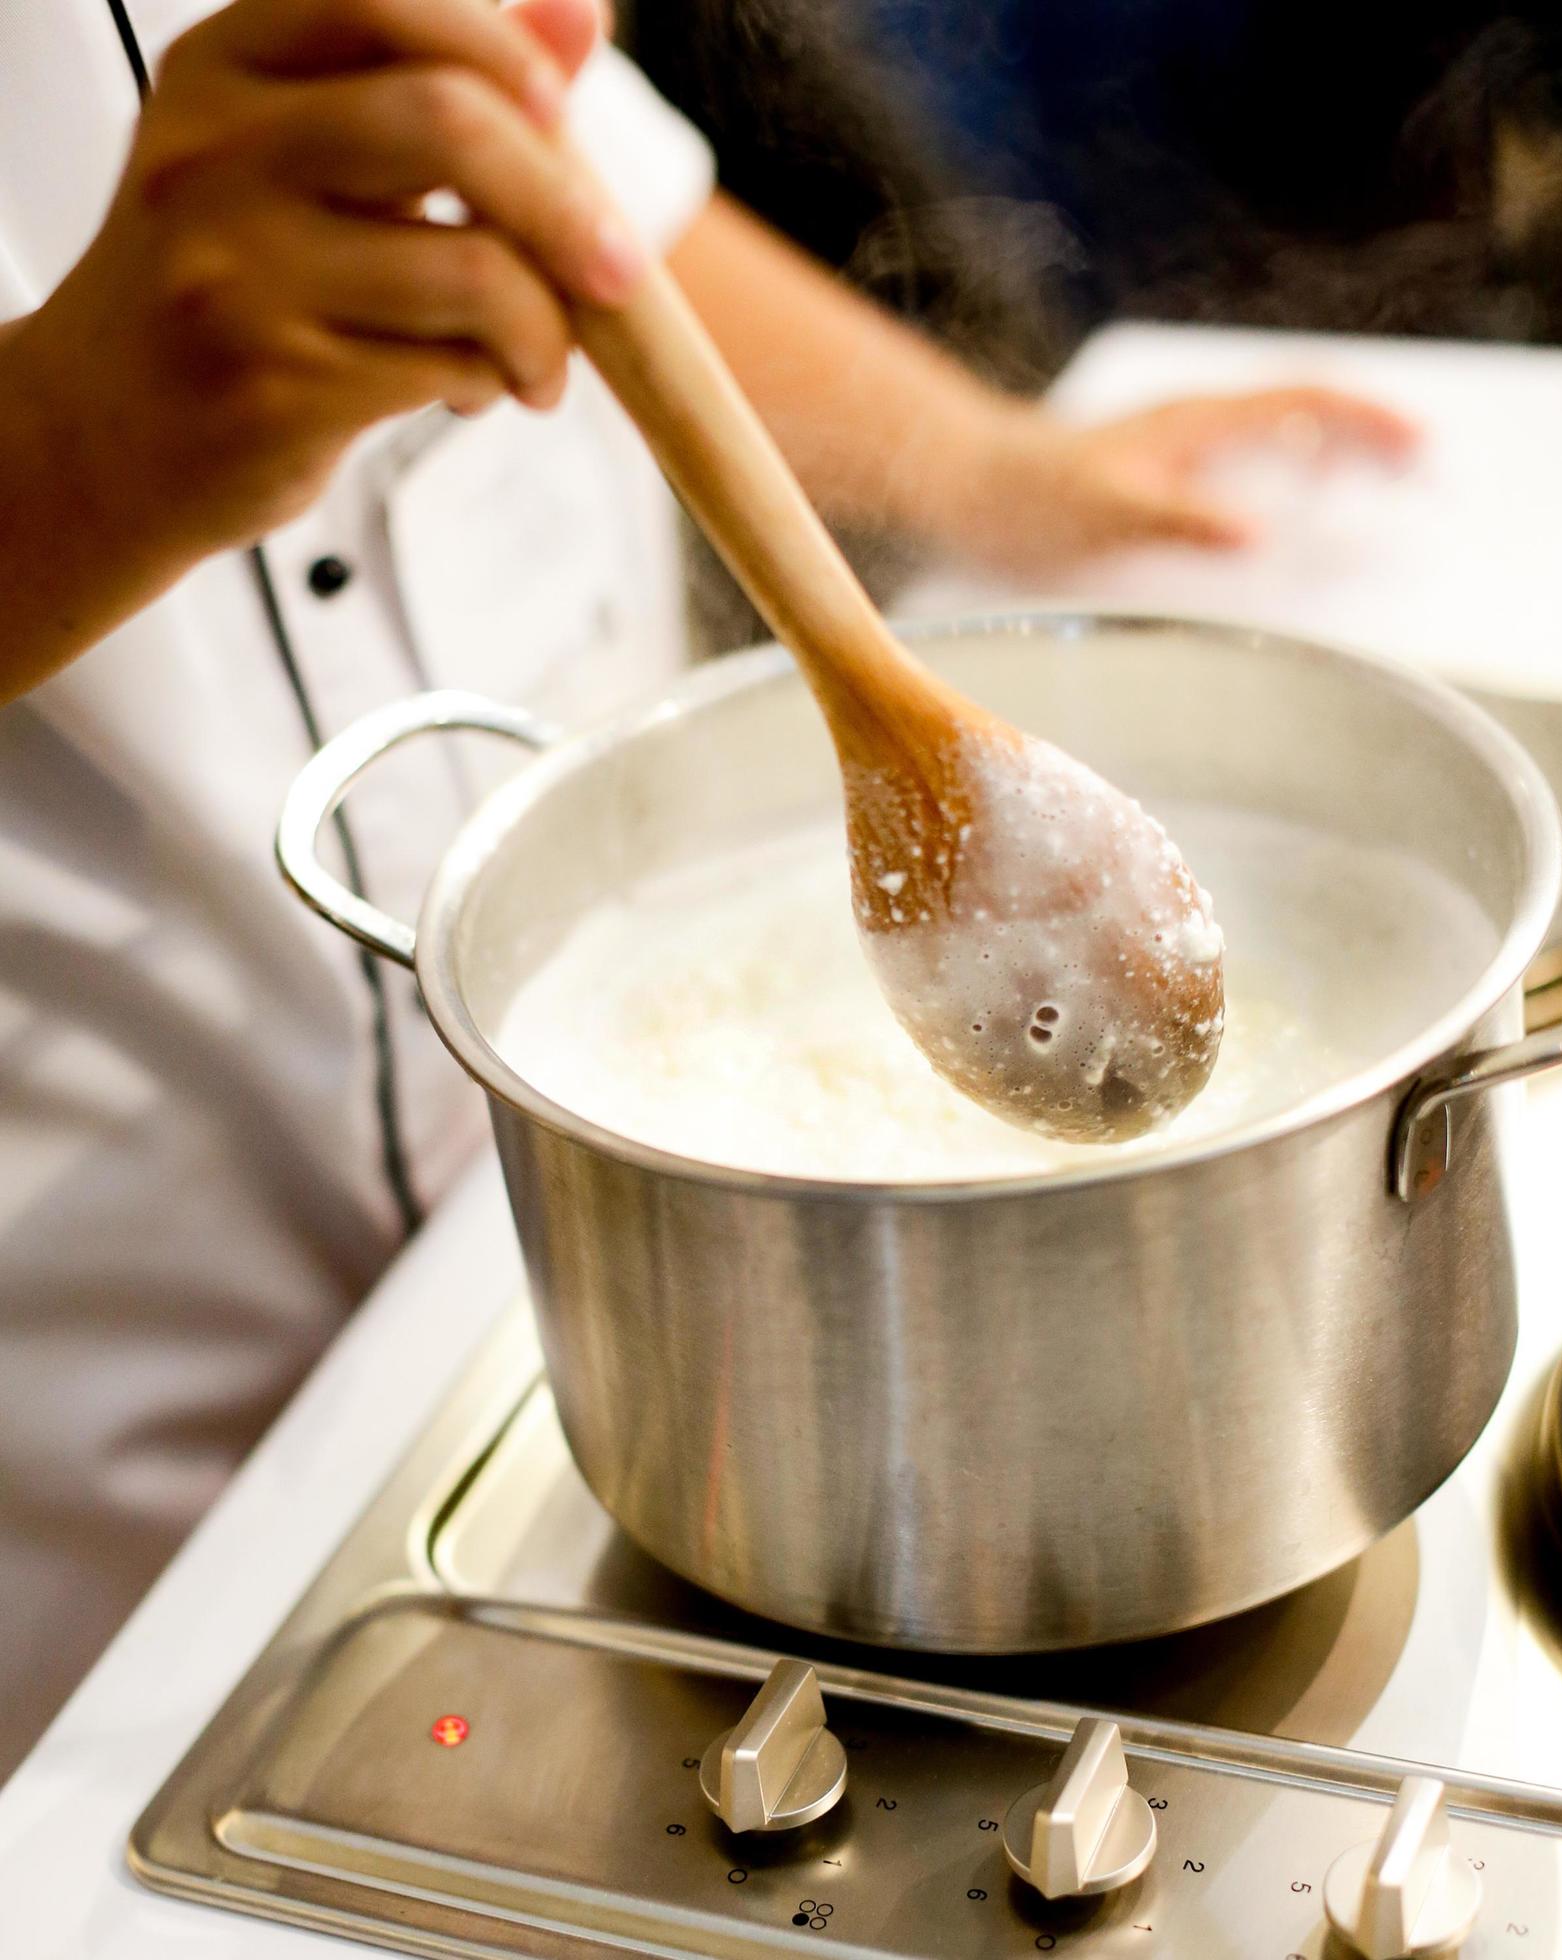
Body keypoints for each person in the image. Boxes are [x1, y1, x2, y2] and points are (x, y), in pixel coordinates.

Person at [0, 0, 1412, 1779]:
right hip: (76, 1451)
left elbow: (571, 174)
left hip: (555, 1175)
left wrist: (982, 465)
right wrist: (61, 449)